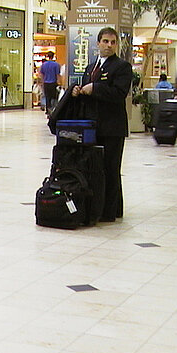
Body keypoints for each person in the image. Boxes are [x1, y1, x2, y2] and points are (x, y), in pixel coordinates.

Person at [71, 27, 132, 222]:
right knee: (96, 168)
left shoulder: (122, 67)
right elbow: (87, 92)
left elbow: (118, 93)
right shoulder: (91, 67)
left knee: (111, 169)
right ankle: (100, 207)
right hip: (93, 127)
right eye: (105, 41)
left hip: (112, 127)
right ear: (98, 43)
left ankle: (111, 212)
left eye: (113, 42)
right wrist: (78, 91)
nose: (109, 45)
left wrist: (95, 88)